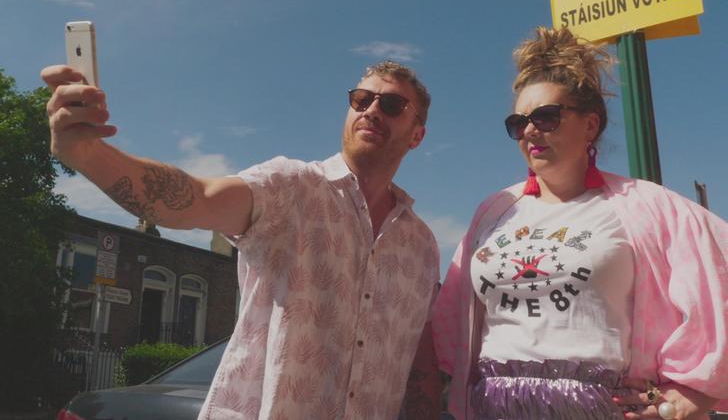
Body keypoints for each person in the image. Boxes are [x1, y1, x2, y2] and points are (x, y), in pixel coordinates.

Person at [42, 60, 442, 419]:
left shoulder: (421, 246)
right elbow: (193, 199)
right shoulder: (289, 186)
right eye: (361, 99)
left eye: (391, 105)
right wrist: (88, 154)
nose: (371, 110)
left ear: (416, 135)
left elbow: (420, 361)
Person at [432, 27, 728, 420]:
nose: (531, 131)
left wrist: (688, 398)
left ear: (591, 125)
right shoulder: (493, 211)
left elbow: (718, 287)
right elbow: (450, 323)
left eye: (547, 116)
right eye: (519, 123)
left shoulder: (647, 206)